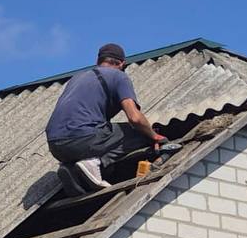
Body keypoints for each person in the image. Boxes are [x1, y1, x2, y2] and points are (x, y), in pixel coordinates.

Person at [45, 43, 167, 195]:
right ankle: (95, 163)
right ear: (122, 64)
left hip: (55, 145)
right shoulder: (119, 76)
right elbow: (135, 118)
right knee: (139, 132)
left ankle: (70, 169)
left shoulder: (77, 78)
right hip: (83, 138)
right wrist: (154, 136)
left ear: (98, 61)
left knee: (99, 133)